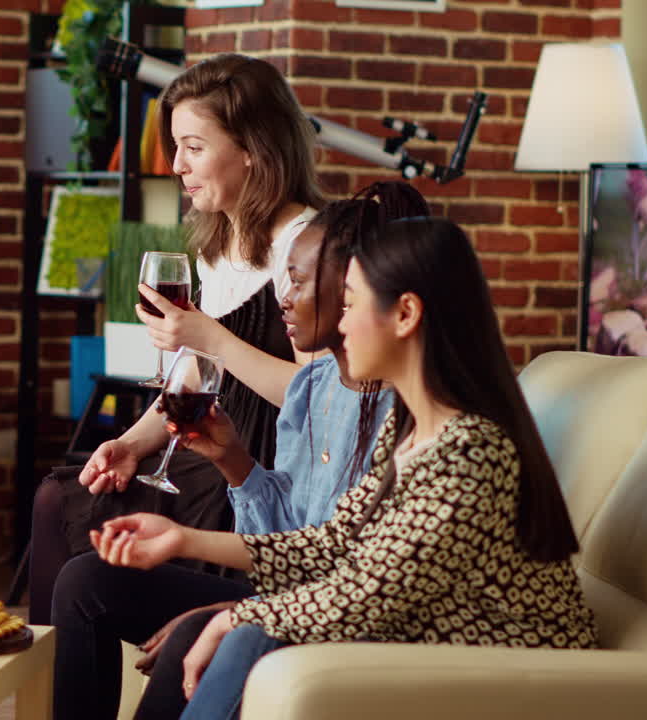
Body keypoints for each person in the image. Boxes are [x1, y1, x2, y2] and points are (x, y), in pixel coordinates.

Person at [92, 217, 598, 720]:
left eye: (351, 303)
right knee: (246, 630)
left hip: (506, 679)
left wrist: (233, 616)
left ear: (405, 314)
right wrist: (181, 539)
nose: (343, 321)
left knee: (251, 634)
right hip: (437, 651)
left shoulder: (470, 452)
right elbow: (333, 544)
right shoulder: (411, 433)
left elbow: (363, 592)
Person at [50, 182, 425, 720]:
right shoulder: (316, 384)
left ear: (355, 289)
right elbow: (298, 535)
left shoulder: (417, 419)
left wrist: (237, 609)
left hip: (345, 618)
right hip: (296, 588)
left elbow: (361, 575)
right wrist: (234, 461)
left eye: (296, 282)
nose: (282, 299)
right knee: (85, 579)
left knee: (198, 637)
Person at [29, 51, 326, 623]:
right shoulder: (218, 239)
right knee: (57, 497)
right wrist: (134, 445)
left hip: (258, 465)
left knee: (77, 528)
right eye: (176, 147)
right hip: (205, 444)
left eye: (194, 147)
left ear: (253, 148)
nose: (177, 165)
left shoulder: (306, 243)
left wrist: (212, 337)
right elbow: (191, 378)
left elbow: (318, 396)